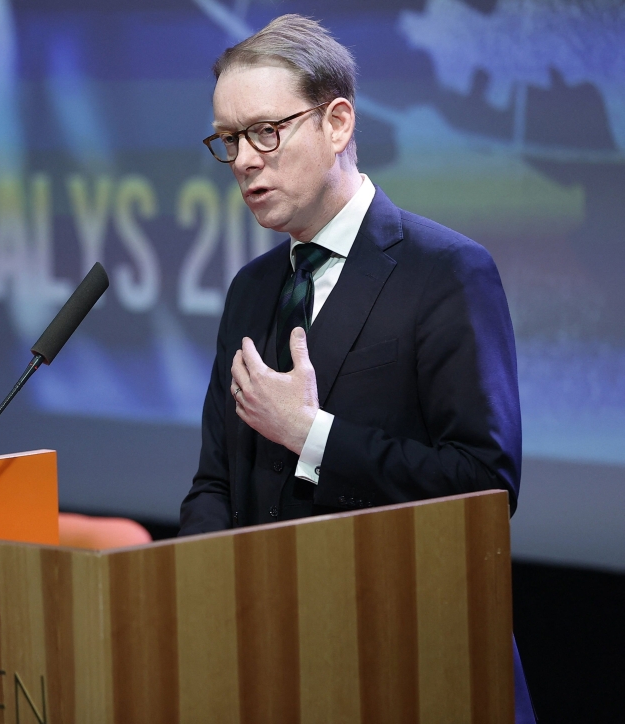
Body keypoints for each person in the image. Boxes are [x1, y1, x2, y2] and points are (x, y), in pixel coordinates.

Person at [177, 14, 534, 721]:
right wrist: (193, 601)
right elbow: (216, 482)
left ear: (337, 122)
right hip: (269, 670)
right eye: (228, 140)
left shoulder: (447, 273)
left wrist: (311, 434)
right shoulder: (251, 289)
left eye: (265, 132)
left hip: (415, 668)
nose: (244, 160)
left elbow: (485, 483)